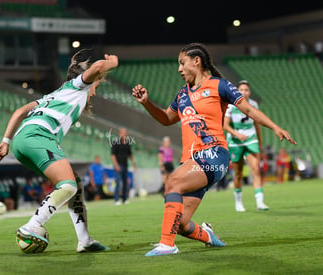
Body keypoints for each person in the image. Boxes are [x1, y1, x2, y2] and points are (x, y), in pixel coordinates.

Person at [132, 42, 296, 256]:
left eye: (182, 63)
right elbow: (166, 119)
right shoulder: (182, 94)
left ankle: (167, 244)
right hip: (191, 161)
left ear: (196, 61)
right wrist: (146, 103)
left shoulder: (220, 85)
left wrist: (275, 127)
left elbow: (247, 108)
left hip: (214, 154)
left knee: (172, 181)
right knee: (180, 223)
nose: (179, 69)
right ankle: (208, 236)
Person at [0, 50, 118, 253]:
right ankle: (33, 224)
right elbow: (97, 67)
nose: (95, 91)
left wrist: (5, 141)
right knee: (68, 186)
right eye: (96, 85)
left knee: (74, 184)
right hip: (39, 136)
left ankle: (84, 240)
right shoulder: (79, 86)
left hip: (21, 142)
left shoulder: (54, 95)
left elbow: (19, 112)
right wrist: (113, 62)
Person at [223, 80, 269, 212]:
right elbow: (225, 126)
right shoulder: (230, 105)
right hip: (235, 142)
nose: (244, 92)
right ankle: (238, 202)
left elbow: (257, 124)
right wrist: (237, 134)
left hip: (251, 140)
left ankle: (260, 202)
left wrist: (259, 142)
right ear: (237, 91)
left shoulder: (253, 104)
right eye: (241, 90)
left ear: (249, 92)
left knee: (256, 170)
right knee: (238, 174)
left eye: (246, 90)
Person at [111, 127, 137, 205]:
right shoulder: (116, 142)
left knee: (125, 183)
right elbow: (113, 155)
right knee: (118, 182)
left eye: (125, 133)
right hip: (118, 165)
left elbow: (130, 154)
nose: (125, 134)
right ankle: (116, 200)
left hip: (125, 165)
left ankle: (125, 199)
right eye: (123, 133)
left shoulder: (127, 143)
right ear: (120, 133)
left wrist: (134, 164)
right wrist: (116, 165)